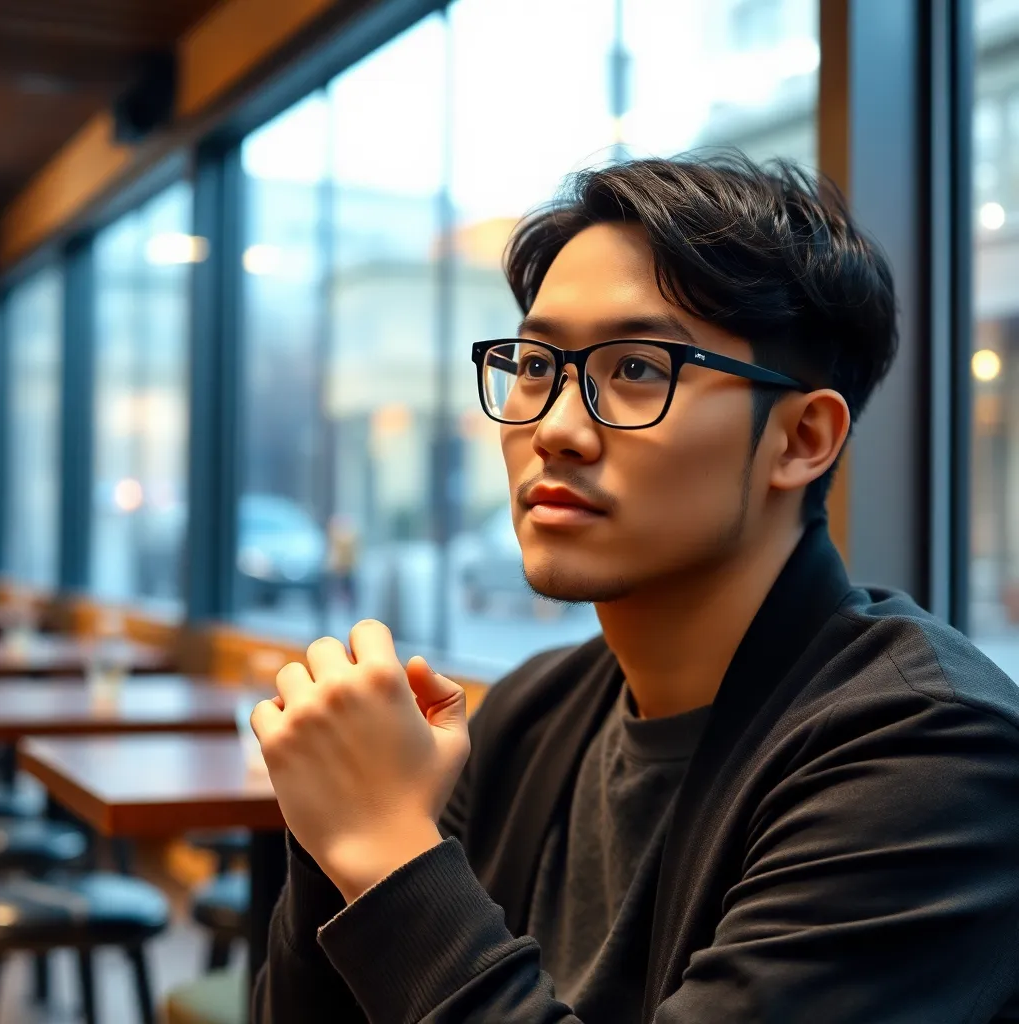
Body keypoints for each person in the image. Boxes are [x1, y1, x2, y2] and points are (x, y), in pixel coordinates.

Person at [249, 154, 1019, 1023]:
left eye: (639, 369)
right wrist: (337, 835)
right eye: (534, 364)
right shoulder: (533, 712)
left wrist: (384, 849)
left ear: (802, 439)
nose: (555, 428)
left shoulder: (930, 756)